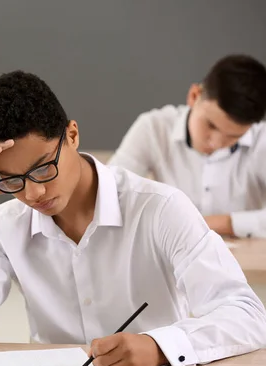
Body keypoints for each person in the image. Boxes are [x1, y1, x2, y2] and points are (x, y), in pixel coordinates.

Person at [0, 71, 266, 366]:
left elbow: (247, 316)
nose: (33, 192)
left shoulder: (160, 209)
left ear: (72, 135)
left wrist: (159, 347)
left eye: (43, 168)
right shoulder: (3, 226)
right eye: (12, 180)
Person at [109, 54, 266, 238]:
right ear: (194, 95)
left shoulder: (261, 139)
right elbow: (109, 193)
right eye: (211, 125)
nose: (216, 143)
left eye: (233, 137)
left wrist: (211, 223)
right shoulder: (153, 128)